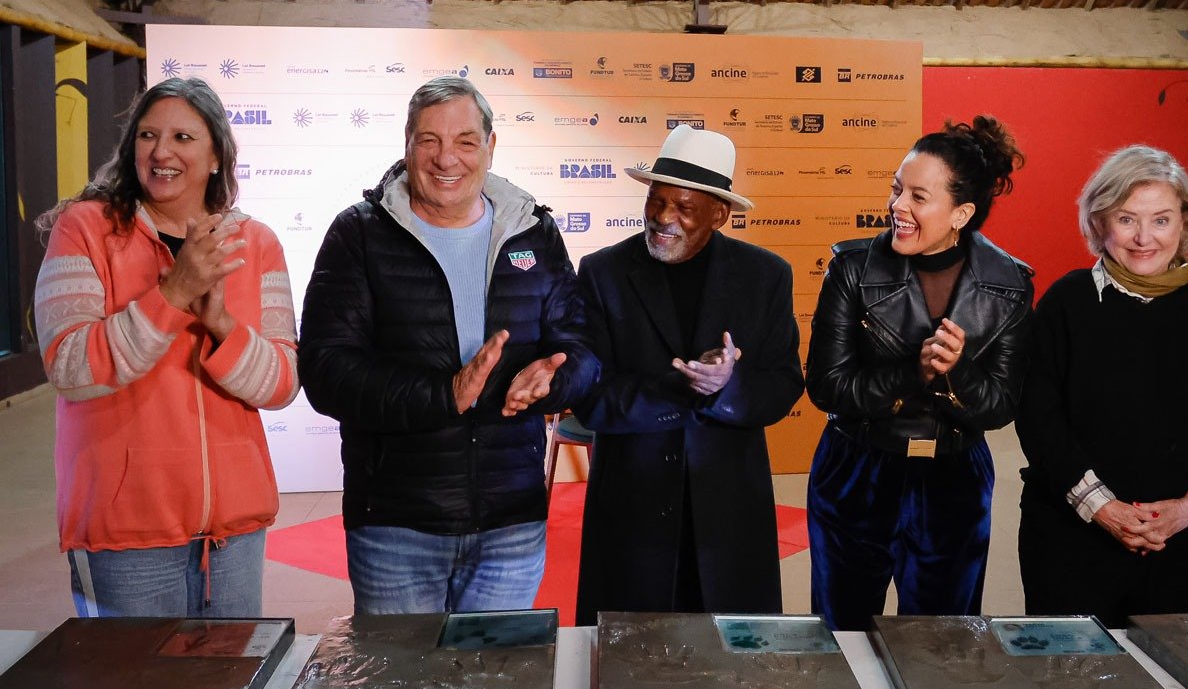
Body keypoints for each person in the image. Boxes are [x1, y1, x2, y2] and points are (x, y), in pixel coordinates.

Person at [298, 76, 598, 614]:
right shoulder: (358, 234)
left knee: (495, 665)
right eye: (429, 140)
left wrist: (555, 380)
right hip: (396, 525)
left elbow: (580, 347)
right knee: (402, 666)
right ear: (407, 144)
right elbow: (325, 370)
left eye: (465, 141)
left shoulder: (533, 232)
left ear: (490, 145)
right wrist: (445, 394)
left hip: (512, 524)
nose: (446, 159)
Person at [34, 77, 299, 617]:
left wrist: (220, 324)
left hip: (233, 534)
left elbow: (281, 384)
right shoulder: (83, 229)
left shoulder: (257, 244)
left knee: (233, 665)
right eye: (148, 135)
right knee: (130, 667)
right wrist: (172, 295)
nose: (161, 152)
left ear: (217, 157)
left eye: (182, 137)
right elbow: (70, 366)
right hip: (125, 532)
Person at [1016, 145, 1188, 627]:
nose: (1143, 238)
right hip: (1072, 544)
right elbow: (1038, 420)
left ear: (1185, 223)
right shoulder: (1066, 303)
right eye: (1126, 219)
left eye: (1161, 220)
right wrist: (1103, 508)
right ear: (1100, 222)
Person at [806, 116, 1032, 631]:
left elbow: (1000, 405)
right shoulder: (851, 267)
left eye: (918, 197)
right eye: (896, 190)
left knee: (941, 642)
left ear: (961, 213)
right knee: (842, 634)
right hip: (856, 473)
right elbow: (827, 385)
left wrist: (957, 372)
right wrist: (915, 371)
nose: (897, 206)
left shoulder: (1011, 284)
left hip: (954, 483)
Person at [573, 124, 804, 623]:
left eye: (683, 207)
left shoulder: (766, 276)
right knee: (629, 652)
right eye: (656, 201)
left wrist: (727, 388)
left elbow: (784, 383)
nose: (663, 218)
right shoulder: (602, 273)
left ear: (719, 215)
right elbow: (590, 398)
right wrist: (679, 388)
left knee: (731, 655)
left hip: (730, 516)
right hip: (631, 515)